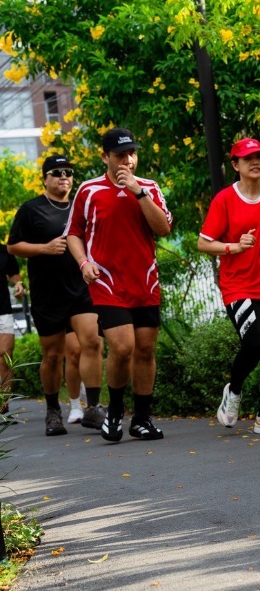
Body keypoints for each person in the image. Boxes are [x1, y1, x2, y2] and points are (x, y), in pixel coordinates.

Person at [65, 128, 172, 444]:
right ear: (105, 157)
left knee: (146, 349)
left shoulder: (149, 187)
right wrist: (83, 263)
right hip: (107, 282)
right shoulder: (89, 190)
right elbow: (74, 233)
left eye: (132, 154)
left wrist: (138, 192)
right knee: (123, 347)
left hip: (145, 281)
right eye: (120, 155)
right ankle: (113, 413)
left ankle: (141, 419)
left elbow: (163, 228)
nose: (128, 160)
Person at [198, 137, 260, 434]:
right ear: (235, 165)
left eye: (259, 157)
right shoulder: (224, 200)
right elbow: (203, 243)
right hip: (238, 285)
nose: (256, 162)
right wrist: (234, 247)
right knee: (256, 343)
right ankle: (233, 391)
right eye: (248, 158)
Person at [8, 156, 104, 437]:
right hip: (48, 293)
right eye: (57, 172)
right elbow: (13, 247)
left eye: (68, 172)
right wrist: (44, 248)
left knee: (92, 342)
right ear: (45, 179)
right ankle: (53, 410)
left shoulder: (81, 207)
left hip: (81, 288)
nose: (64, 176)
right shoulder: (31, 209)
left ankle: (93, 408)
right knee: (52, 355)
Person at [0, 244, 23, 415]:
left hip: (3, 310)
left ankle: (4, 405)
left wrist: (19, 284)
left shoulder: (4, 251)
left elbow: (14, 274)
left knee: (5, 356)